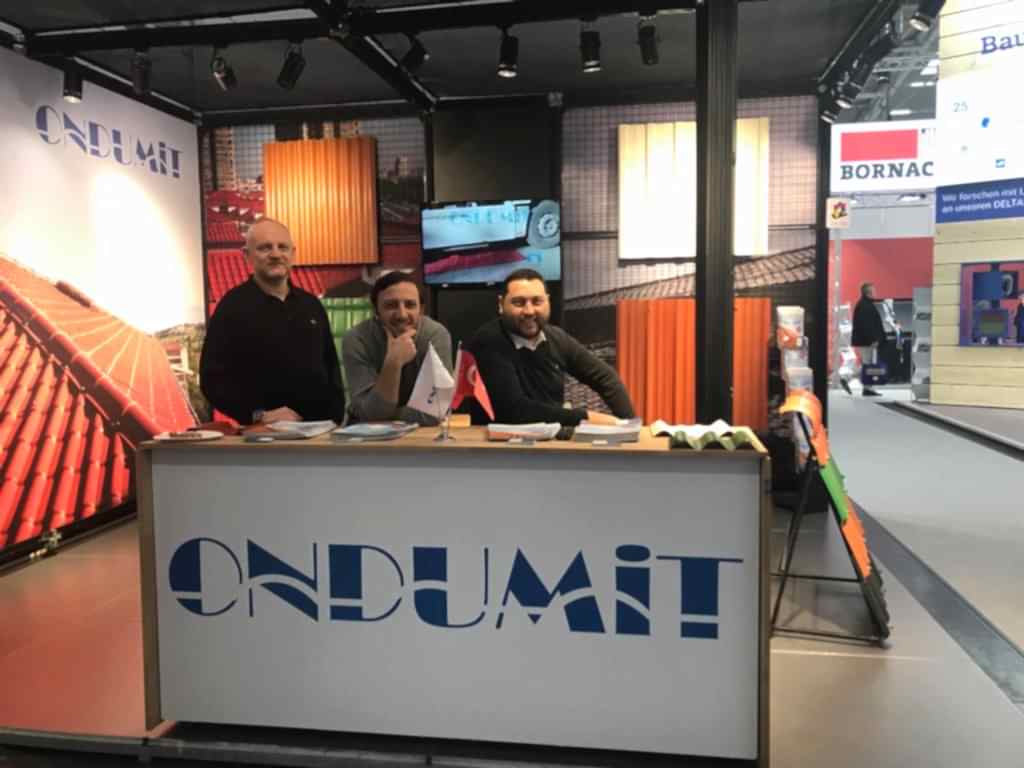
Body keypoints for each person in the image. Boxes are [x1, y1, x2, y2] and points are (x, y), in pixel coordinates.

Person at [199, 218, 345, 425]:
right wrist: (257, 414)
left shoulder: (311, 304)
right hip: (264, 434)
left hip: (319, 431)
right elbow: (212, 379)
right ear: (247, 255)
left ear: (293, 253)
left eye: (282, 247)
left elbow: (331, 368)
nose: (276, 254)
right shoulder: (232, 307)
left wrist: (335, 417)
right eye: (265, 248)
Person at [467, 268, 635, 426]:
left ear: (548, 301)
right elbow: (515, 410)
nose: (529, 311)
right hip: (499, 443)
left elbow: (605, 378)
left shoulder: (556, 337)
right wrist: (585, 417)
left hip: (549, 439)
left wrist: (630, 425)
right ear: (501, 304)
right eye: (519, 302)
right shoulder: (488, 341)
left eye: (537, 301)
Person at [342, 270, 453, 425]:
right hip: (364, 435)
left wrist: (388, 416)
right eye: (391, 305)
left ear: (421, 310)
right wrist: (393, 362)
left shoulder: (435, 335)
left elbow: (436, 411)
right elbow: (372, 413)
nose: (402, 314)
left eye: (410, 305)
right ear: (376, 311)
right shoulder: (357, 339)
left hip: (421, 433)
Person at [843, 282, 887, 397]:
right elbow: (867, 326)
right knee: (868, 365)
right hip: (866, 341)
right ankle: (855, 382)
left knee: (867, 364)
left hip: (864, 340)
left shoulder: (864, 304)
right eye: (873, 291)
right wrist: (873, 339)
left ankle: (864, 386)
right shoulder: (865, 306)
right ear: (868, 293)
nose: (875, 292)